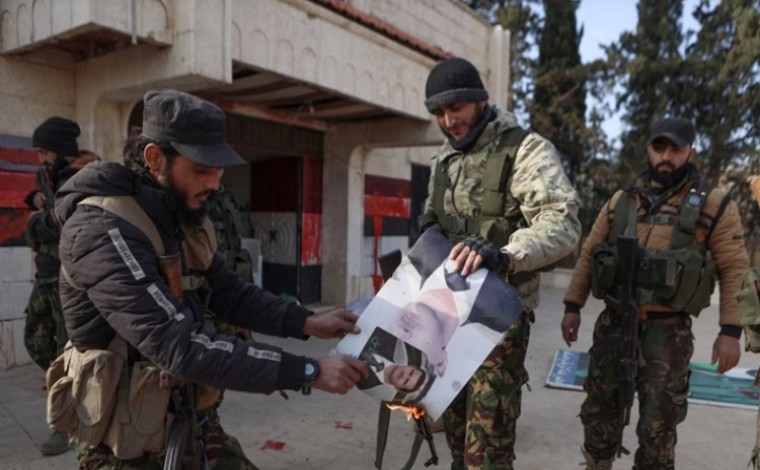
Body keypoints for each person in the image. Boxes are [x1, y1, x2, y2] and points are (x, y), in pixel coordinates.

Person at [50, 89, 369, 469]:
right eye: (202, 169)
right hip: (123, 442)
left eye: (218, 169)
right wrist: (308, 371)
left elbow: (229, 293)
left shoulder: (176, 217)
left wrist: (306, 321)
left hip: (185, 418)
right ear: (155, 158)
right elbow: (177, 344)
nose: (215, 183)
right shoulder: (101, 230)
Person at [417, 57, 581, 469]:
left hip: (497, 319)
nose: (448, 120)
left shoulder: (524, 150)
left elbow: (562, 222)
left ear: (480, 101)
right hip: (445, 316)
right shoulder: (443, 160)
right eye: (439, 112)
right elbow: (431, 226)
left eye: (456, 108)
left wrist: (506, 255)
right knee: (452, 429)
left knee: (486, 447)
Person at [561, 117, 749, 469]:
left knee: (657, 427)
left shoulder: (714, 203)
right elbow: (590, 251)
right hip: (615, 324)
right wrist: (573, 305)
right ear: (648, 149)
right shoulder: (623, 200)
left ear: (690, 151)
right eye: (659, 147)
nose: (666, 156)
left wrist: (730, 332)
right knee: (599, 414)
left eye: (675, 149)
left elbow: (734, 267)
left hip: (668, 333)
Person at [22, 117, 97, 457]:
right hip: (46, 275)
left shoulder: (84, 178)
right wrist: (42, 212)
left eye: (45, 151)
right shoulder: (48, 178)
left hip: (72, 280)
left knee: (70, 357)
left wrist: (44, 219)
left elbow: (68, 224)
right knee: (36, 342)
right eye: (38, 151)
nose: (41, 158)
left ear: (63, 150)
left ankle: (66, 426)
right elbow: (42, 226)